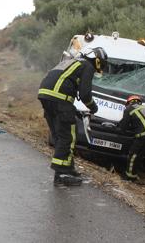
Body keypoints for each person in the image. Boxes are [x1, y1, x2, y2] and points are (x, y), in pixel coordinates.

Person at [38, 47, 108, 187]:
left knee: (59, 135)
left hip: (45, 96)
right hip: (60, 100)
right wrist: (93, 107)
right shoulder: (87, 65)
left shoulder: (73, 61)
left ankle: (68, 168)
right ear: (97, 60)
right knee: (68, 136)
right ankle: (62, 174)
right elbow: (84, 94)